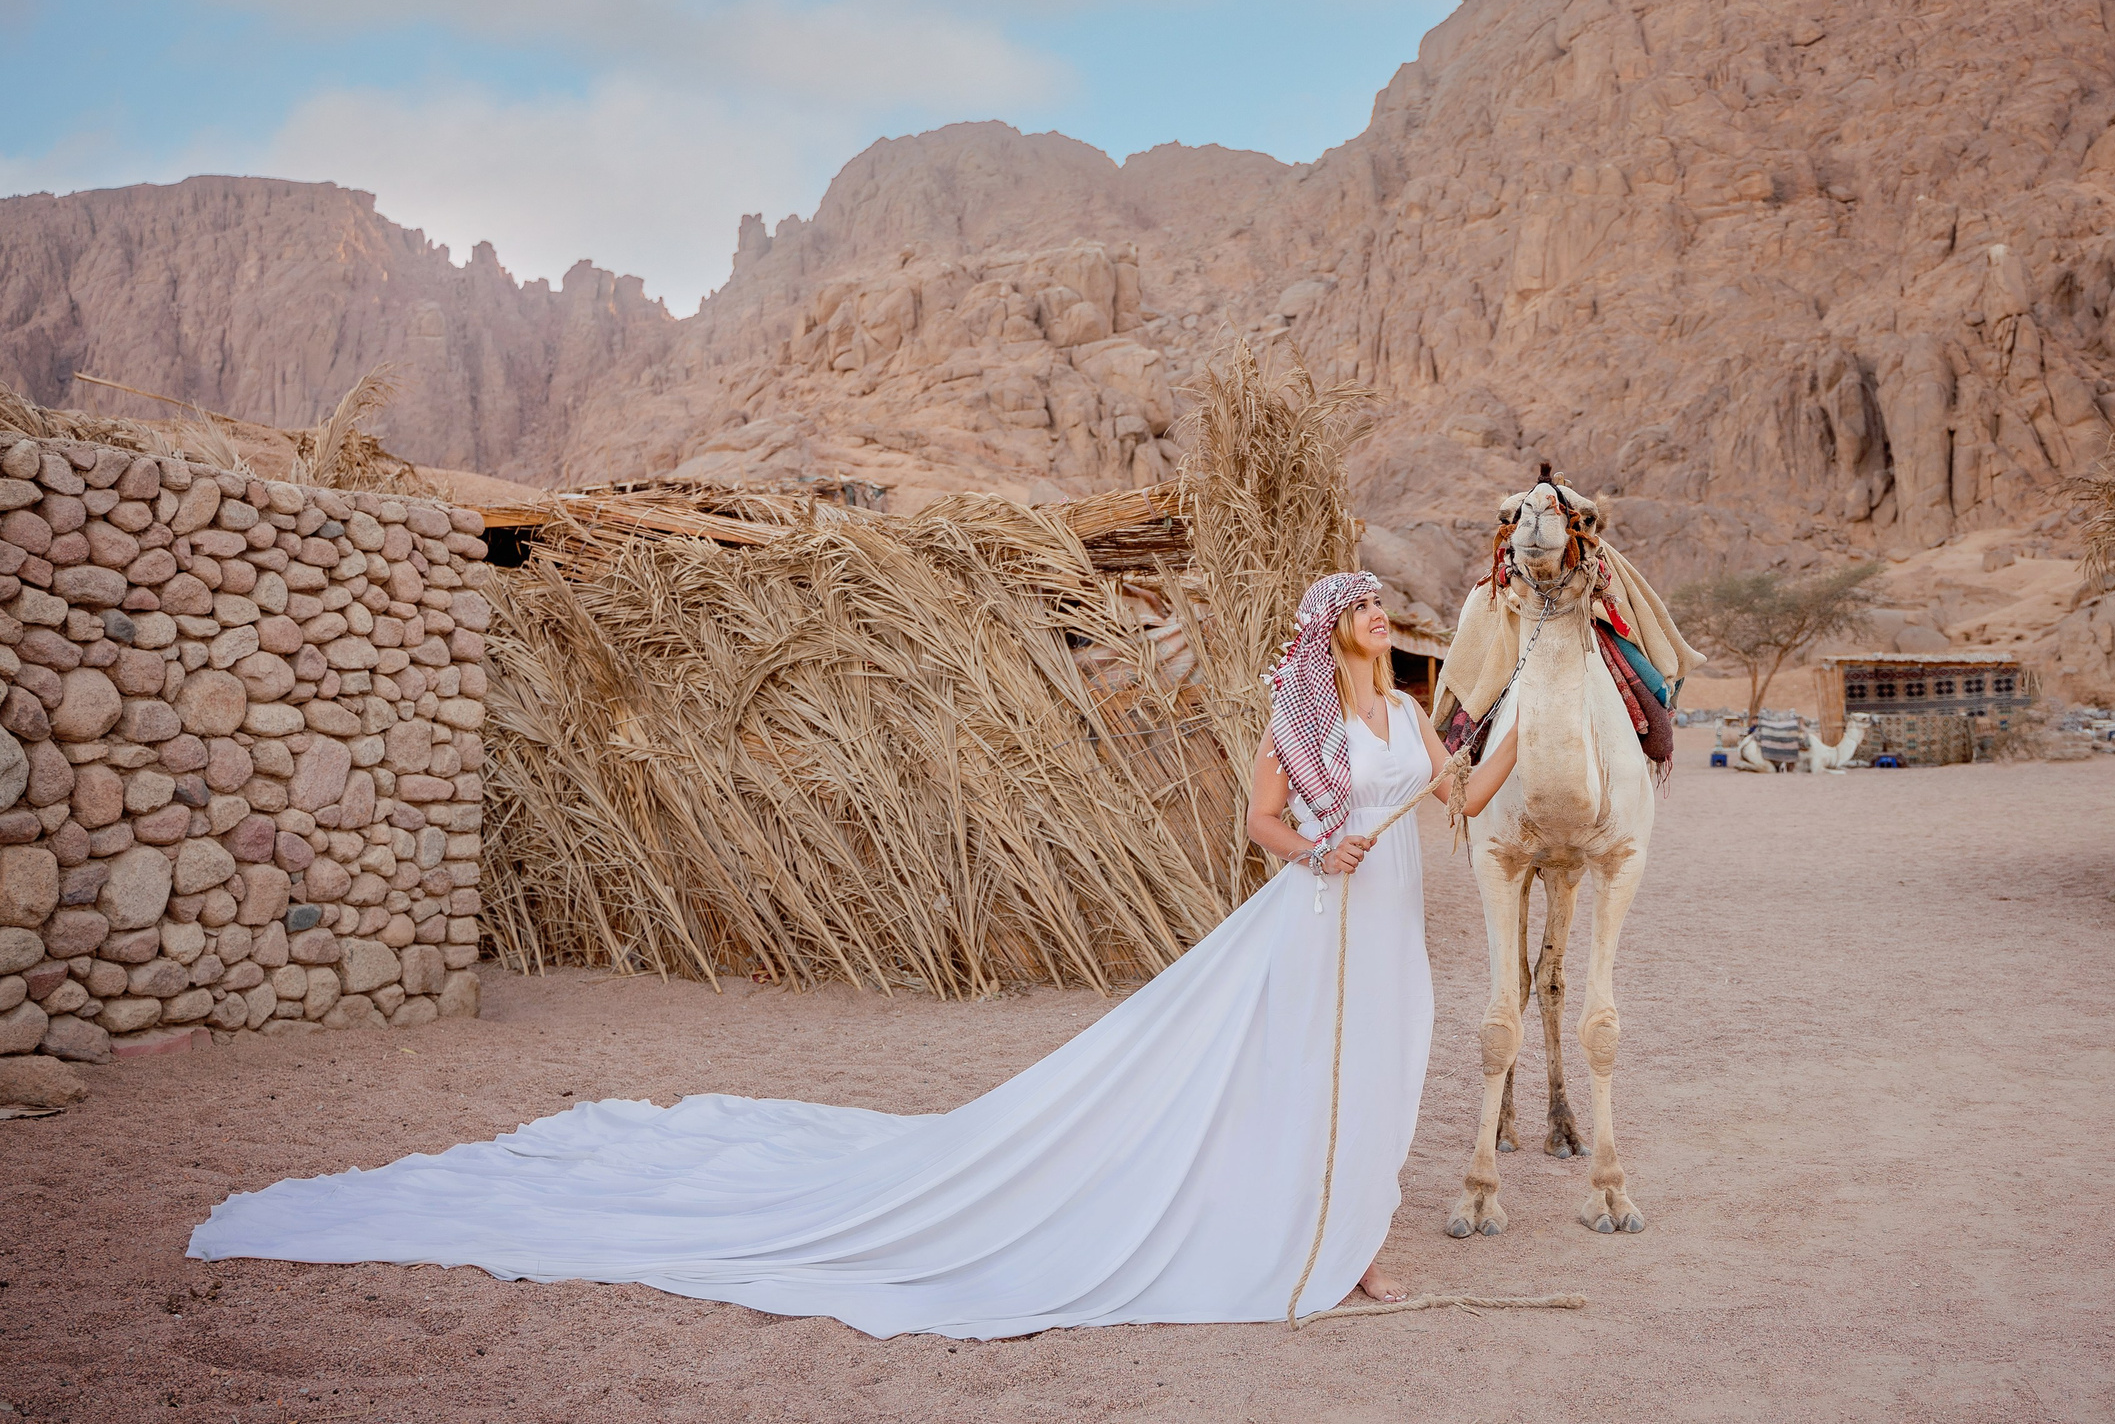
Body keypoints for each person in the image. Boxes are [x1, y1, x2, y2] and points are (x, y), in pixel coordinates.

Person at [190, 572, 1520, 1340]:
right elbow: (1262, 825)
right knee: (1295, 1081)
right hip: (1319, 921)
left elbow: (1453, 805)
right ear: (1330, 625)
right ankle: (1330, 1246)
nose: (1379, 617)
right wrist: (1318, 856)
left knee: (1386, 1069)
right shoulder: (1299, 712)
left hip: (1389, 927)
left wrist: (1524, 734)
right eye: (1364, 608)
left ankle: (1353, 1237)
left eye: (1382, 610)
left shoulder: (1405, 706)